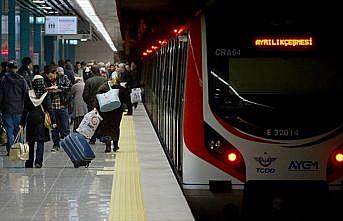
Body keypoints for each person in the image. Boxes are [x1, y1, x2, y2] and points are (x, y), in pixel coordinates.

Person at [20, 75, 55, 168]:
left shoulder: (29, 93)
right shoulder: (45, 94)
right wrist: (53, 121)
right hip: (41, 120)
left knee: (30, 142)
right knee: (40, 141)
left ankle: (29, 162)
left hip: (30, 119)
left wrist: (22, 123)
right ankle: (38, 162)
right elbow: (49, 109)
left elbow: (25, 109)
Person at [0, 61, 28, 156]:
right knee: (18, 130)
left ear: (7, 68)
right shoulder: (22, 79)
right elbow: (26, 93)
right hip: (19, 109)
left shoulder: (3, 80)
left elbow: (1, 96)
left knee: (9, 131)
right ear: (16, 69)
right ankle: (19, 150)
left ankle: (10, 150)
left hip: (6, 109)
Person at [95, 75, 128, 152]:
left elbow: (98, 99)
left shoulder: (103, 88)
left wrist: (97, 109)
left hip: (105, 112)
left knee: (106, 127)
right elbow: (127, 100)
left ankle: (108, 146)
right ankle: (116, 145)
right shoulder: (121, 89)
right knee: (116, 127)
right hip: (117, 113)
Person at [45, 64, 71, 152]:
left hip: (62, 106)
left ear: (55, 73)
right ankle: (56, 145)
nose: (50, 78)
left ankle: (68, 144)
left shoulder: (64, 78)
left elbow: (69, 88)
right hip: (52, 108)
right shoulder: (46, 80)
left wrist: (59, 88)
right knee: (54, 127)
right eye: (48, 77)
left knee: (65, 127)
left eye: (51, 76)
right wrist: (48, 90)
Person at [82, 65, 107, 144]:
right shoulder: (104, 80)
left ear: (91, 71)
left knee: (92, 120)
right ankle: (103, 137)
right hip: (102, 103)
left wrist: (88, 102)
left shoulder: (89, 81)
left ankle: (92, 138)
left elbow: (85, 94)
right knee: (103, 119)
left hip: (92, 104)